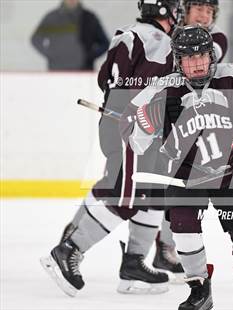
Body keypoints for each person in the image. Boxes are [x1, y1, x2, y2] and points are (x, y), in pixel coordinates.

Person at [40, 0, 182, 297]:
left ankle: (133, 264)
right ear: (166, 12)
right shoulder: (160, 41)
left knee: (155, 191)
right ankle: (69, 250)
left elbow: (104, 76)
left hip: (116, 116)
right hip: (138, 124)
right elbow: (157, 85)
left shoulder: (126, 33)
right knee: (128, 196)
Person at [121, 25, 233, 310]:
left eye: (202, 56)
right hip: (184, 173)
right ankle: (199, 288)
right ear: (177, 61)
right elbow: (130, 133)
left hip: (232, 170)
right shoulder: (162, 88)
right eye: (189, 58)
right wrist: (145, 120)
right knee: (184, 229)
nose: (197, 64)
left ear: (212, 56)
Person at [151, 0, 229, 274]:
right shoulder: (166, 32)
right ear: (185, 10)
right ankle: (145, 251)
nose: (204, 15)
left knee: (178, 186)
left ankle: (165, 247)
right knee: (153, 188)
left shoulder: (215, 38)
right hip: (166, 115)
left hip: (197, 119)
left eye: (209, 11)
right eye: (199, 9)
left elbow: (197, 67)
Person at [31, 0, 109, 71]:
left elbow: (105, 43)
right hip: (57, 71)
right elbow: (36, 39)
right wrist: (52, 54)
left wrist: (89, 56)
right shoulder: (51, 18)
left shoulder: (90, 18)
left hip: (83, 71)